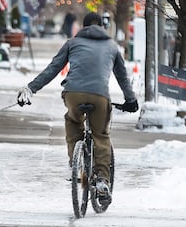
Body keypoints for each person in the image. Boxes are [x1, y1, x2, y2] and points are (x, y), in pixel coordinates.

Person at [16, 11, 138, 205]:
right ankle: (102, 181)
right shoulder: (112, 46)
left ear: (83, 26)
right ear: (102, 27)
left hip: (73, 94)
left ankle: (76, 164)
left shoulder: (72, 43)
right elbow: (122, 77)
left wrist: (31, 89)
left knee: (73, 122)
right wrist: (131, 100)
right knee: (101, 136)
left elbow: (53, 69)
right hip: (100, 96)